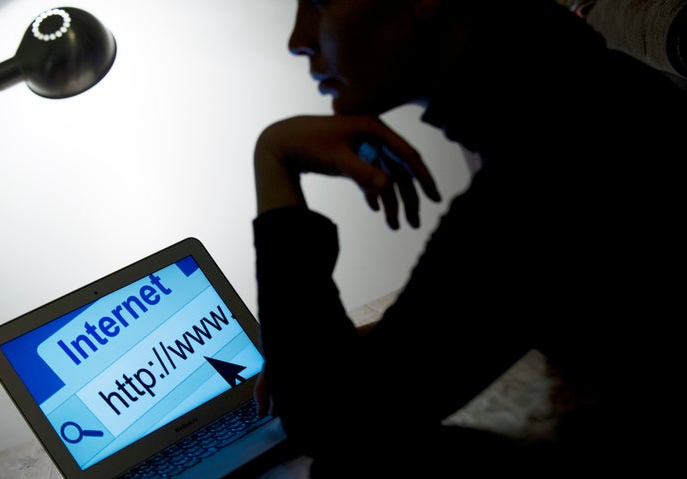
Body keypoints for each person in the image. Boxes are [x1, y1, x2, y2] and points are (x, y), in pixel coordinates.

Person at [250, 0, 685, 477]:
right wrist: (376, 346)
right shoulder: (578, 97)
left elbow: (334, 425)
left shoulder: (553, 159)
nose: (297, 39)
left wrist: (274, 157)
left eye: (316, 3)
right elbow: (506, 298)